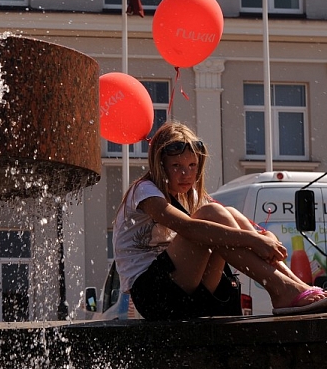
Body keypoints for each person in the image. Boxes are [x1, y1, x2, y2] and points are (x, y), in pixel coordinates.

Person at [113, 120, 327, 320]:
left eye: (192, 165)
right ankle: (280, 289)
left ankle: (297, 286)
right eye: (177, 166)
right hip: (153, 294)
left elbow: (238, 223)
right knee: (211, 215)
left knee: (228, 214)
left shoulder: (191, 196)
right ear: (160, 166)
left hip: (185, 289)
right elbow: (186, 227)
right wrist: (254, 241)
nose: (186, 174)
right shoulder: (145, 192)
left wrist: (262, 236)